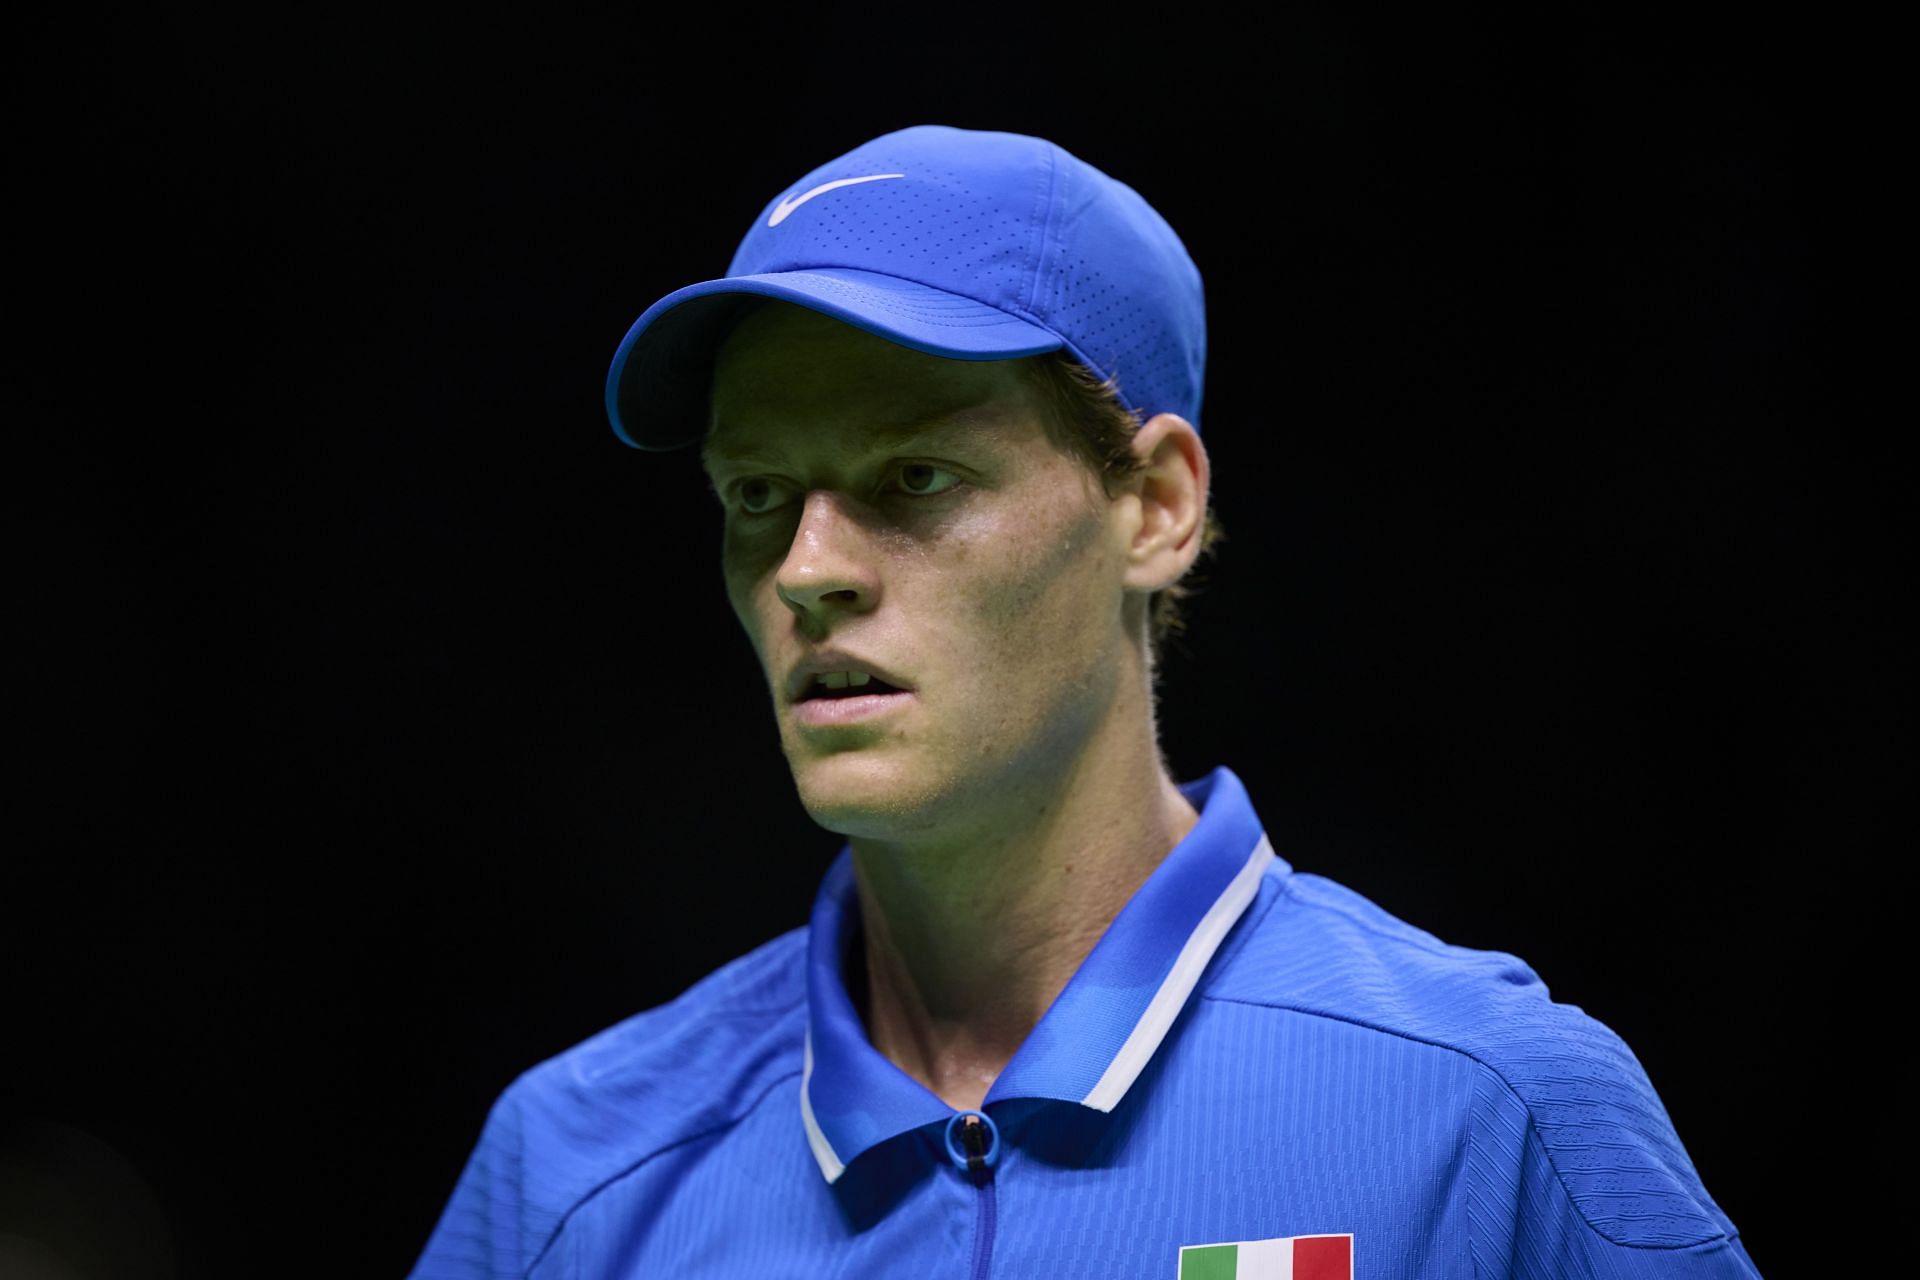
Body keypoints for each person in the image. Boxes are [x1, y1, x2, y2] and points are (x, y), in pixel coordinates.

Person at [407, 125, 1762, 1279]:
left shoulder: (1490, 1107)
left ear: (1158, 505)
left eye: (915, 476)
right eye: (758, 495)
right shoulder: (571, 1177)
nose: (807, 570)